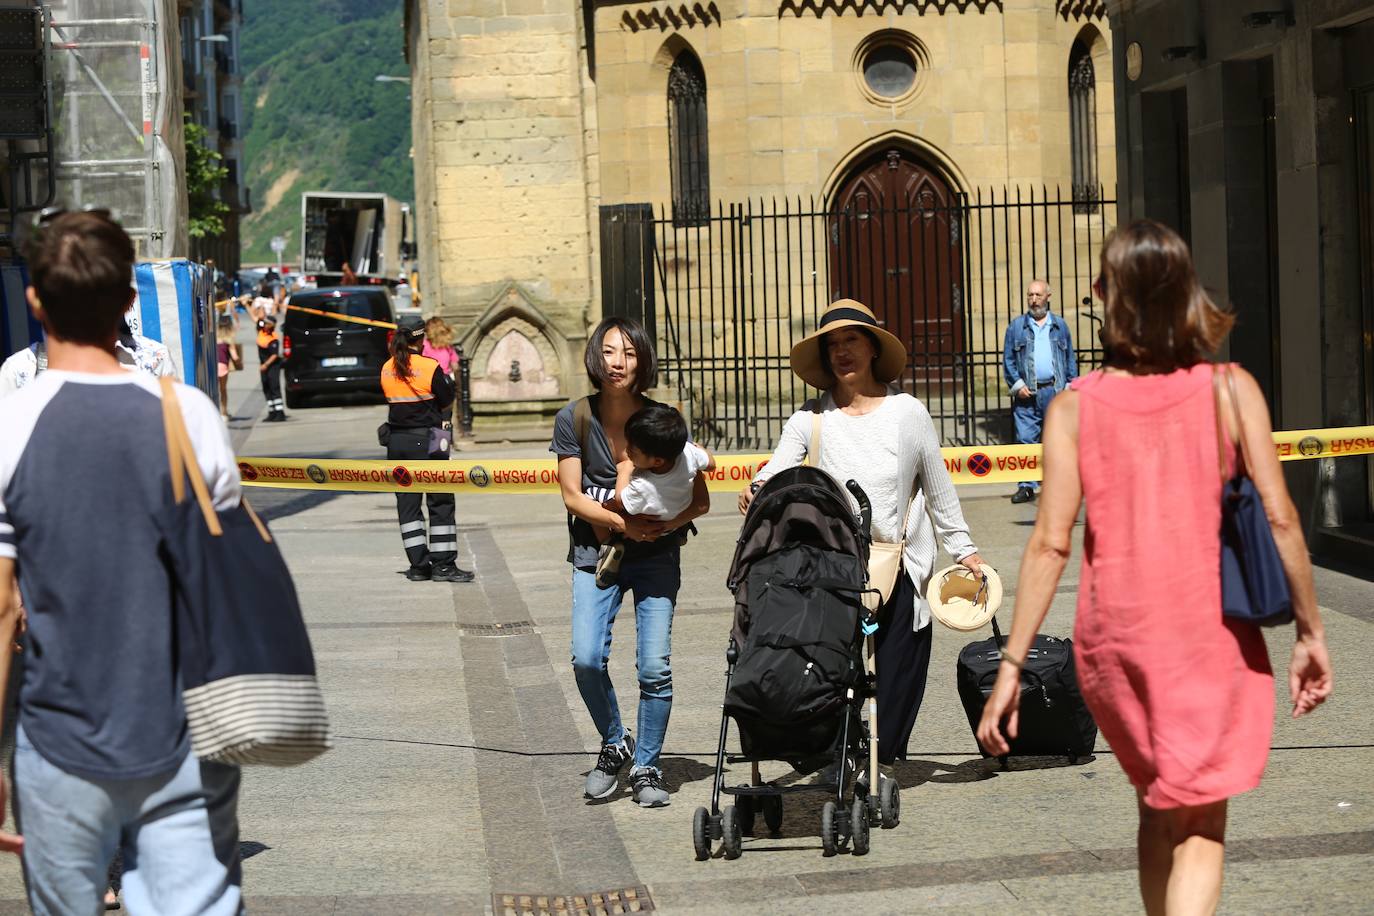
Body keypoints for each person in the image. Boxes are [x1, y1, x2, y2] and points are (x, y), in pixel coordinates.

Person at [977, 220, 1333, 916]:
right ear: (1185, 296)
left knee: (1155, 805)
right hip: (1210, 639)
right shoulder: (1232, 391)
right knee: (1201, 821)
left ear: (1108, 297)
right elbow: (1283, 517)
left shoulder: (1075, 409)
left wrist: (1012, 667)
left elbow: (1050, 543)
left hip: (1118, 642)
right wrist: (1312, 632)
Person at [0, 210, 244, 914]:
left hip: (58, 729)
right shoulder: (189, 414)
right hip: (183, 726)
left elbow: (3, 603)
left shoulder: (12, 423)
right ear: (128, 301)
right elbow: (219, 575)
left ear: (35, 300)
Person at [739, 299, 985, 782]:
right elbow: (776, 470)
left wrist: (965, 549)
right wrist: (756, 488)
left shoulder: (907, 413)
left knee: (898, 670)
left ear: (872, 348)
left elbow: (938, 488)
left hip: (900, 562)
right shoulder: (809, 420)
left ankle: (880, 757)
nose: (841, 352)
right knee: (831, 668)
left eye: (851, 340)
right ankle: (839, 753)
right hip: (833, 565)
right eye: (832, 345)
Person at [551, 318, 710, 808]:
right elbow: (572, 497)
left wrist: (662, 526)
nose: (618, 362)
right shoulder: (575, 418)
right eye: (609, 351)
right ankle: (614, 741)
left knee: (654, 667)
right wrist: (624, 526)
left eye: (629, 354)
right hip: (594, 556)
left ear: (643, 361)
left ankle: (646, 766)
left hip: (657, 558)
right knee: (585, 658)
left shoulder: (663, 420)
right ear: (595, 357)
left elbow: (699, 499)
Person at [381, 316, 472, 583]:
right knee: (440, 501)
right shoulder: (429, 366)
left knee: (407, 506)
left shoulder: (387, 368)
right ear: (421, 339)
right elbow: (447, 396)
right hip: (430, 440)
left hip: (397, 443)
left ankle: (418, 566)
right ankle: (443, 565)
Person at [594, 403, 715, 588]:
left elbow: (619, 501)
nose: (627, 451)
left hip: (645, 518)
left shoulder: (643, 486)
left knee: (591, 497)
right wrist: (699, 448)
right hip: (672, 521)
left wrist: (625, 469)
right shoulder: (688, 452)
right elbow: (711, 463)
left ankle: (608, 542)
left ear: (657, 461)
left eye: (632, 451)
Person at [1002, 279, 1077, 504]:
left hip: (1055, 392)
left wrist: (1071, 386)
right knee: (1026, 440)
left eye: (1038, 295)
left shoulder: (1060, 326)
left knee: (1059, 440)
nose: (1034, 300)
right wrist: (1017, 385)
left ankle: (1060, 485)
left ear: (1048, 297)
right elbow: (1008, 360)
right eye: (1030, 295)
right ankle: (1026, 487)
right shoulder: (1016, 327)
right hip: (1028, 394)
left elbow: (1069, 358)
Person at [256, 316, 286, 422]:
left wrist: (265, 365)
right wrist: (246, 305)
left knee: (274, 388)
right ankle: (272, 412)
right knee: (266, 388)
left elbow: (274, 355)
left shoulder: (273, 338)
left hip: (272, 366)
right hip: (264, 366)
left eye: (266, 323)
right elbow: (255, 318)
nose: (264, 324)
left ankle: (280, 413)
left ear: (272, 325)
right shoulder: (261, 332)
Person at [215, 315, 241, 420]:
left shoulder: (215, 338)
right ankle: (224, 412)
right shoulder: (229, 340)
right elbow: (235, 357)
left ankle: (215, 411)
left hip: (214, 365)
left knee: (215, 389)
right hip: (223, 366)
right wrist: (239, 362)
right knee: (223, 390)